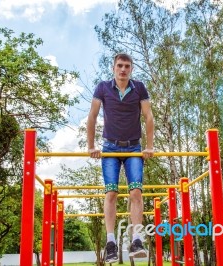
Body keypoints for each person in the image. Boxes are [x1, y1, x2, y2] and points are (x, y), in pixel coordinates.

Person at [87, 53, 154, 263]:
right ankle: (110, 243)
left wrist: (150, 147)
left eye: (127, 66)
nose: (123, 69)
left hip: (134, 148)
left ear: (131, 69)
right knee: (111, 193)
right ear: (113, 68)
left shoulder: (139, 87)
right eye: (119, 66)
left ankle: (136, 240)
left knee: (136, 191)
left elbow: (148, 116)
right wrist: (91, 146)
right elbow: (92, 115)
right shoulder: (103, 87)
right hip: (110, 148)